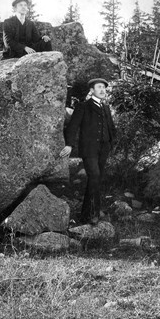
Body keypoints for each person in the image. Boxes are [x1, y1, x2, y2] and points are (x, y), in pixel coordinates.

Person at [60, 78, 116, 224]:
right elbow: (72, 127)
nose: (103, 90)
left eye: (104, 87)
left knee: (96, 180)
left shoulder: (106, 107)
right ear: (92, 90)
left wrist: (111, 143)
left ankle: (87, 213)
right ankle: (93, 213)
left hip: (103, 149)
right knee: (95, 176)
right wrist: (70, 145)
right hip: (89, 149)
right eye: (99, 87)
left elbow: (111, 127)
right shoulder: (83, 106)